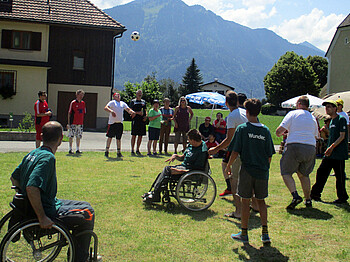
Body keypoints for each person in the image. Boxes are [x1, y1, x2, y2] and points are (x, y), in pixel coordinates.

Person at [10, 121, 100, 262]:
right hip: (47, 210)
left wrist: (26, 200)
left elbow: (14, 178)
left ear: (41, 136)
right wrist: (42, 217)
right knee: (88, 213)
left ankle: (77, 254)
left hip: (44, 204)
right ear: (60, 139)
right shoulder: (47, 158)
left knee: (85, 205)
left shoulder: (33, 153)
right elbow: (32, 187)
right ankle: (80, 258)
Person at [225, 99, 275, 244]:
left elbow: (235, 151)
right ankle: (265, 233)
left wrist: (228, 166)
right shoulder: (265, 130)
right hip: (262, 172)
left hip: (247, 171)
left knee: (245, 201)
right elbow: (270, 154)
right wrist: (265, 168)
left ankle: (244, 233)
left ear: (246, 112)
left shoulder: (242, 129)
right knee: (261, 202)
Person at [208, 91, 247, 218]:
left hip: (239, 151)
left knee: (234, 181)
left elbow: (229, 139)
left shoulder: (232, 116)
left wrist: (215, 149)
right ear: (237, 101)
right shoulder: (244, 112)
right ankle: (255, 206)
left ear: (226, 103)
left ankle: (239, 211)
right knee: (248, 180)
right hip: (250, 150)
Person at [276, 96, 319, 209]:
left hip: (294, 145)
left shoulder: (292, 114)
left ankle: (295, 196)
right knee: (304, 175)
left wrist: (284, 133)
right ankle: (308, 199)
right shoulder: (313, 118)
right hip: (310, 147)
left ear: (299, 104)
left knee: (286, 172)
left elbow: (279, 131)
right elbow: (316, 135)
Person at [142, 129, 208, 203]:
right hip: (183, 167)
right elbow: (183, 157)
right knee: (163, 173)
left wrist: (180, 171)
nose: (188, 141)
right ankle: (154, 192)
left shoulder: (202, 151)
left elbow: (197, 169)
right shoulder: (191, 146)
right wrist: (176, 156)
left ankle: (155, 194)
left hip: (189, 172)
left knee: (167, 170)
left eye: (189, 140)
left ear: (193, 141)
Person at [311, 100, 349, 204]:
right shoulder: (331, 121)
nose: (327, 109)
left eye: (329, 107)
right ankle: (315, 194)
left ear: (335, 108)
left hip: (338, 153)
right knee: (321, 172)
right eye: (326, 107)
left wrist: (331, 147)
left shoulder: (341, 119)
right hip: (330, 153)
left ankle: (342, 198)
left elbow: (342, 136)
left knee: (340, 176)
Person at [104, 93, 135, 158]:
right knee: (110, 137)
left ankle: (118, 152)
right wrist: (111, 111)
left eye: (119, 95)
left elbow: (128, 109)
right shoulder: (112, 102)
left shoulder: (122, 103)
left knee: (118, 138)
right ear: (114, 96)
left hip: (120, 123)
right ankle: (106, 151)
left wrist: (132, 112)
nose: (118, 96)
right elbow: (106, 108)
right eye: (116, 95)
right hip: (112, 123)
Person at [67, 89, 86, 154]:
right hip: (73, 122)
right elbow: (69, 113)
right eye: (80, 95)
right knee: (71, 136)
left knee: (78, 136)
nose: (81, 96)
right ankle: (70, 149)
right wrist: (68, 123)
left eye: (82, 95)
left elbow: (84, 113)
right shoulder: (73, 103)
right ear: (77, 95)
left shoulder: (83, 103)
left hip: (80, 123)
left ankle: (77, 149)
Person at [130, 89, 147, 156]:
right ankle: (132, 149)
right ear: (136, 94)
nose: (139, 95)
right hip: (135, 120)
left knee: (140, 136)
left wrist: (145, 116)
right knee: (134, 135)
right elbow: (130, 110)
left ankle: (138, 149)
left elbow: (145, 110)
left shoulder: (143, 102)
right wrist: (137, 113)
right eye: (138, 93)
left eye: (141, 94)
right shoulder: (133, 101)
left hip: (141, 121)